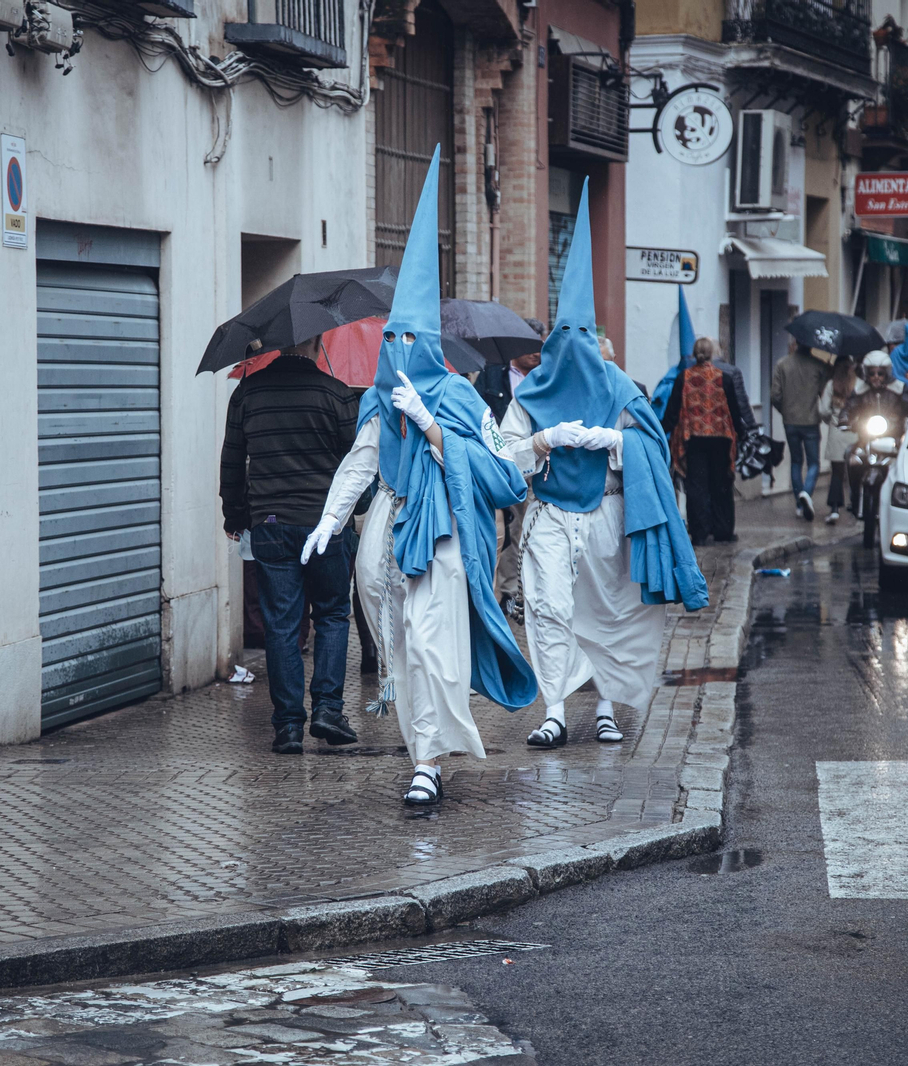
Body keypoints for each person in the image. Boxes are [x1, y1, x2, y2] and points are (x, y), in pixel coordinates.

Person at [301, 146, 536, 806]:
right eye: (392, 341)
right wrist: (328, 518)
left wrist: (433, 431)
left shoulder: (460, 397)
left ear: (428, 342)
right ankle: (420, 751)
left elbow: (503, 478)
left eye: (411, 340)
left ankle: (430, 760)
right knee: (400, 651)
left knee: (432, 646)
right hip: (387, 526)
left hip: (443, 538)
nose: (399, 353)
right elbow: (362, 461)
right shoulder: (379, 397)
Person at [498, 186, 707, 749]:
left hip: (609, 514)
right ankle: (556, 709)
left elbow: (654, 447)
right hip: (547, 517)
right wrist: (543, 439)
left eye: (580, 335)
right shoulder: (530, 394)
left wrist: (614, 440)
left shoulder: (618, 387)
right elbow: (504, 456)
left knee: (607, 614)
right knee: (548, 609)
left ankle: (607, 707)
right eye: (561, 335)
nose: (572, 346)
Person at [219, 335, 361, 755]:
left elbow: (231, 460)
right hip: (326, 526)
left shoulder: (247, 393)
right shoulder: (336, 394)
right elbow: (357, 460)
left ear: (278, 347)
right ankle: (328, 711)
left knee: (282, 625)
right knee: (333, 614)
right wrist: (357, 509)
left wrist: (236, 516)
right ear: (317, 344)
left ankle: (288, 728)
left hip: (271, 525)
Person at [476, 326, 544, 620]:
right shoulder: (492, 376)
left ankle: (525, 589)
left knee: (530, 532)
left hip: (539, 464)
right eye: (530, 346)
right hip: (502, 466)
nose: (536, 353)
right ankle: (507, 592)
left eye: (540, 346)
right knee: (509, 531)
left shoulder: (545, 379)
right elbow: (479, 414)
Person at [663, 337, 743, 544]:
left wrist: (663, 430)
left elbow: (673, 410)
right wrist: (742, 435)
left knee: (696, 486)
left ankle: (699, 532)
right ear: (712, 353)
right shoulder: (723, 378)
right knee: (722, 484)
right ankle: (723, 530)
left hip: (694, 439)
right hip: (721, 439)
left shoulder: (684, 377)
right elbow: (734, 410)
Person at [840, 350, 908, 516]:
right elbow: (849, 406)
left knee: (906, 465)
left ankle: (905, 503)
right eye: (872, 373)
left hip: (894, 439)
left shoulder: (899, 388)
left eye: (880, 373)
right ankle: (854, 498)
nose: (876, 377)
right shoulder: (860, 390)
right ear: (866, 373)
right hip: (866, 439)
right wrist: (845, 419)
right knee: (850, 457)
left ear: (887, 373)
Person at [770, 339, 831, 520]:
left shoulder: (782, 364)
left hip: (790, 422)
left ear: (795, 343)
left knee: (796, 461)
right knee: (813, 463)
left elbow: (775, 395)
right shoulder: (818, 366)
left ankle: (799, 503)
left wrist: (785, 411)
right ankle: (806, 493)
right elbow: (824, 392)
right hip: (811, 421)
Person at [818, 354, 859, 525]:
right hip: (854, 432)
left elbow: (824, 411)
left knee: (837, 472)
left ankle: (834, 509)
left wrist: (831, 422)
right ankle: (856, 506)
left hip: (837, 432)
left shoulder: (830, 385)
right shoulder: (858, 385)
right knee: (856, 472)